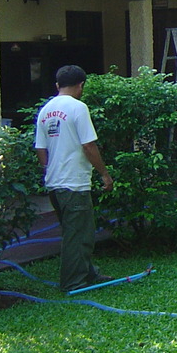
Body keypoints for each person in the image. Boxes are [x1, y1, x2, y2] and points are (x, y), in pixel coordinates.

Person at [34, 65, 113, 292]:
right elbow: (88, 145)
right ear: (81, 85)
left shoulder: (45, 110)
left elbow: (40, 148)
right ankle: (73, 282)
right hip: (74, 183)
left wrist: (48, 169)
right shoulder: (78, 108)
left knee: (76, 231)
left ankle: (89, 273)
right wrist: (104, 174)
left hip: (55, 184)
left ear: (57, 85)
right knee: (78, 235)